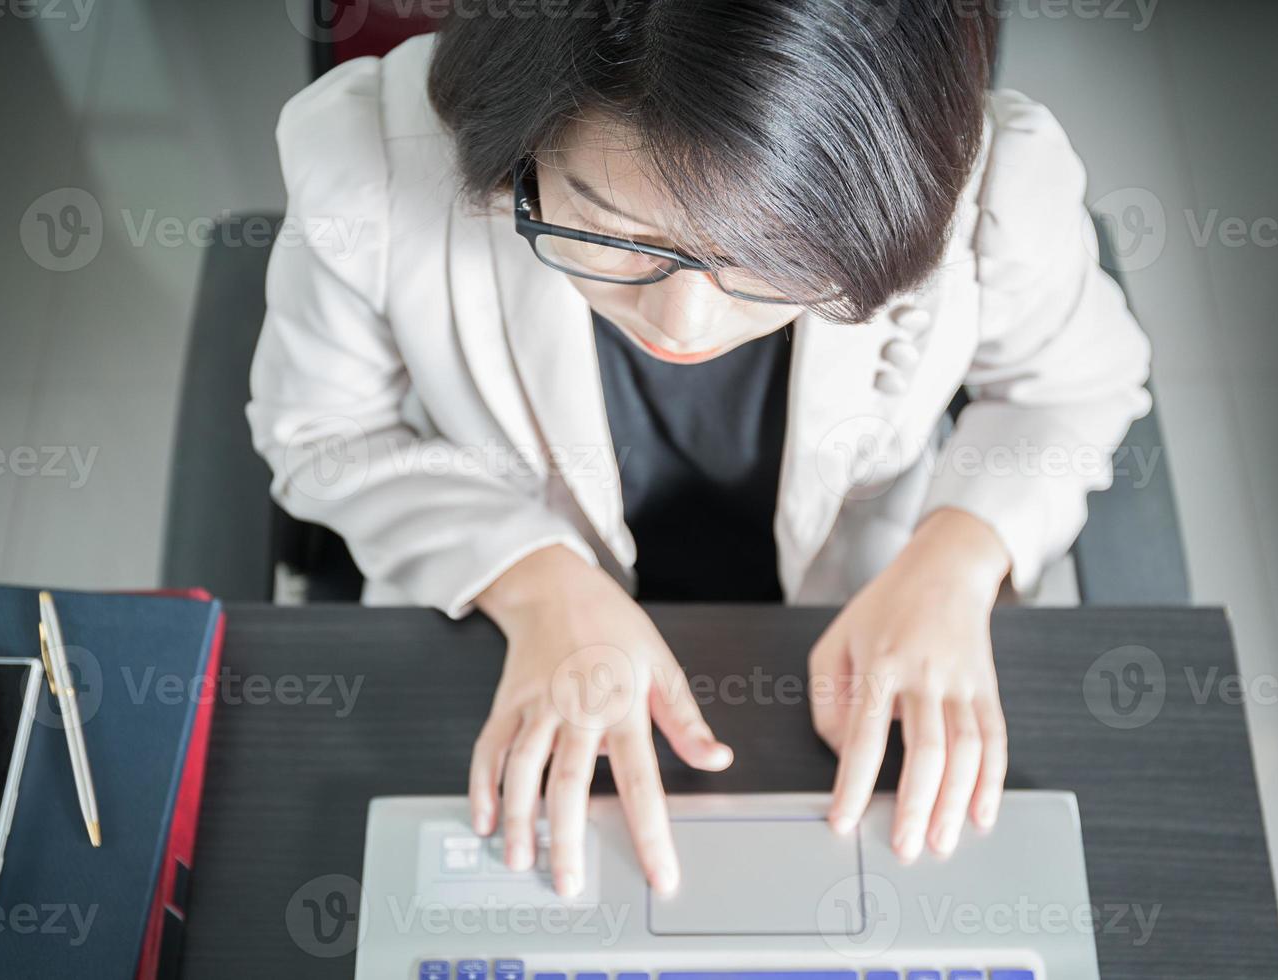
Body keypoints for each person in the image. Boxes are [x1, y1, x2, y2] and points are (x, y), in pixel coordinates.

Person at [248, 0, 1152, 900]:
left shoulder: (989, 182)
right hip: (502, 637)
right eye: (608, 232)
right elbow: (323, 432)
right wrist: (535, 582)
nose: (683, 322)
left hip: (852, 624)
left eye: (771, 258)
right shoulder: (372, 159)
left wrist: (955, 561)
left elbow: (1069, 390)